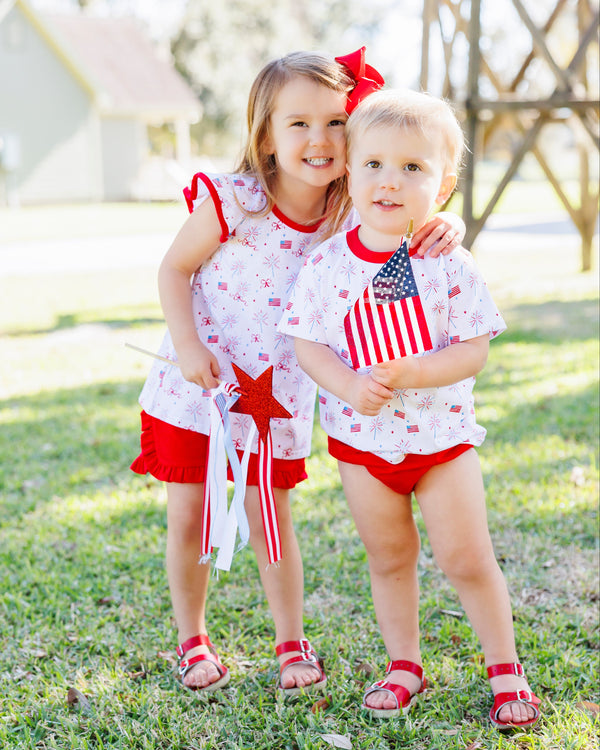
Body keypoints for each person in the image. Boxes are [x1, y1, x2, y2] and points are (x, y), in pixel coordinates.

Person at [131, 51, 465, 697]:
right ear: (266, 137)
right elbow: (173, 270)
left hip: (276, 401)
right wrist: (188, 343)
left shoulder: (351, 215)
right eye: (299, 124)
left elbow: (413, 212)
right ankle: (192, 637)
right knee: (190, 512)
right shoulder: (234, 201)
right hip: (194, 386)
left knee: (271, 514)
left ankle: (290, 640)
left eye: (336, 122)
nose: (319, 139)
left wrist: (441, 223)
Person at [281, 88, 541, 728]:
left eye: (413, 168)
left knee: (465, 557)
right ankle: (405, 664)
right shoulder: (328, 266)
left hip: (441, 441)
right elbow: (309, 343)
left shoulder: (447, 262)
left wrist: (416, 370)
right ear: (349, 168)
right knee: (389, 557)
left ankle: (505, 669)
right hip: (362, 445)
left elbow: (475, 349)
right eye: (373, 164)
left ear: (444, 184)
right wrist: (345, 386)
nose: (389, 181)